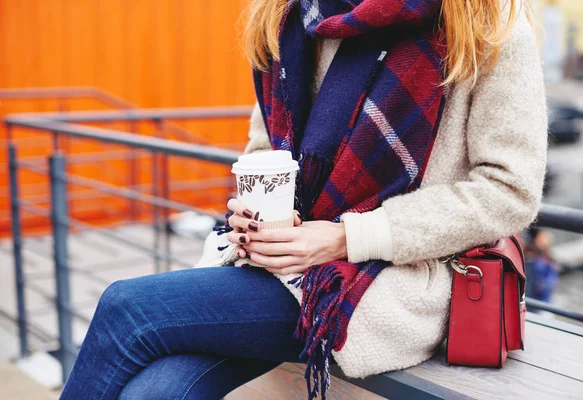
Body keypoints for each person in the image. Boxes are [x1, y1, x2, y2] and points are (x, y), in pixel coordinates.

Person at [60, 0, 548, 399]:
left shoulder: (484, 22)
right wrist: (251, 210)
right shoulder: (287, 15)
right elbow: (262, 150)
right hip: (283, 263)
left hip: (388, 278)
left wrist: (346, 237)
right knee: (156, 394)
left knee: (128, 307)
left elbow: (509, 190)